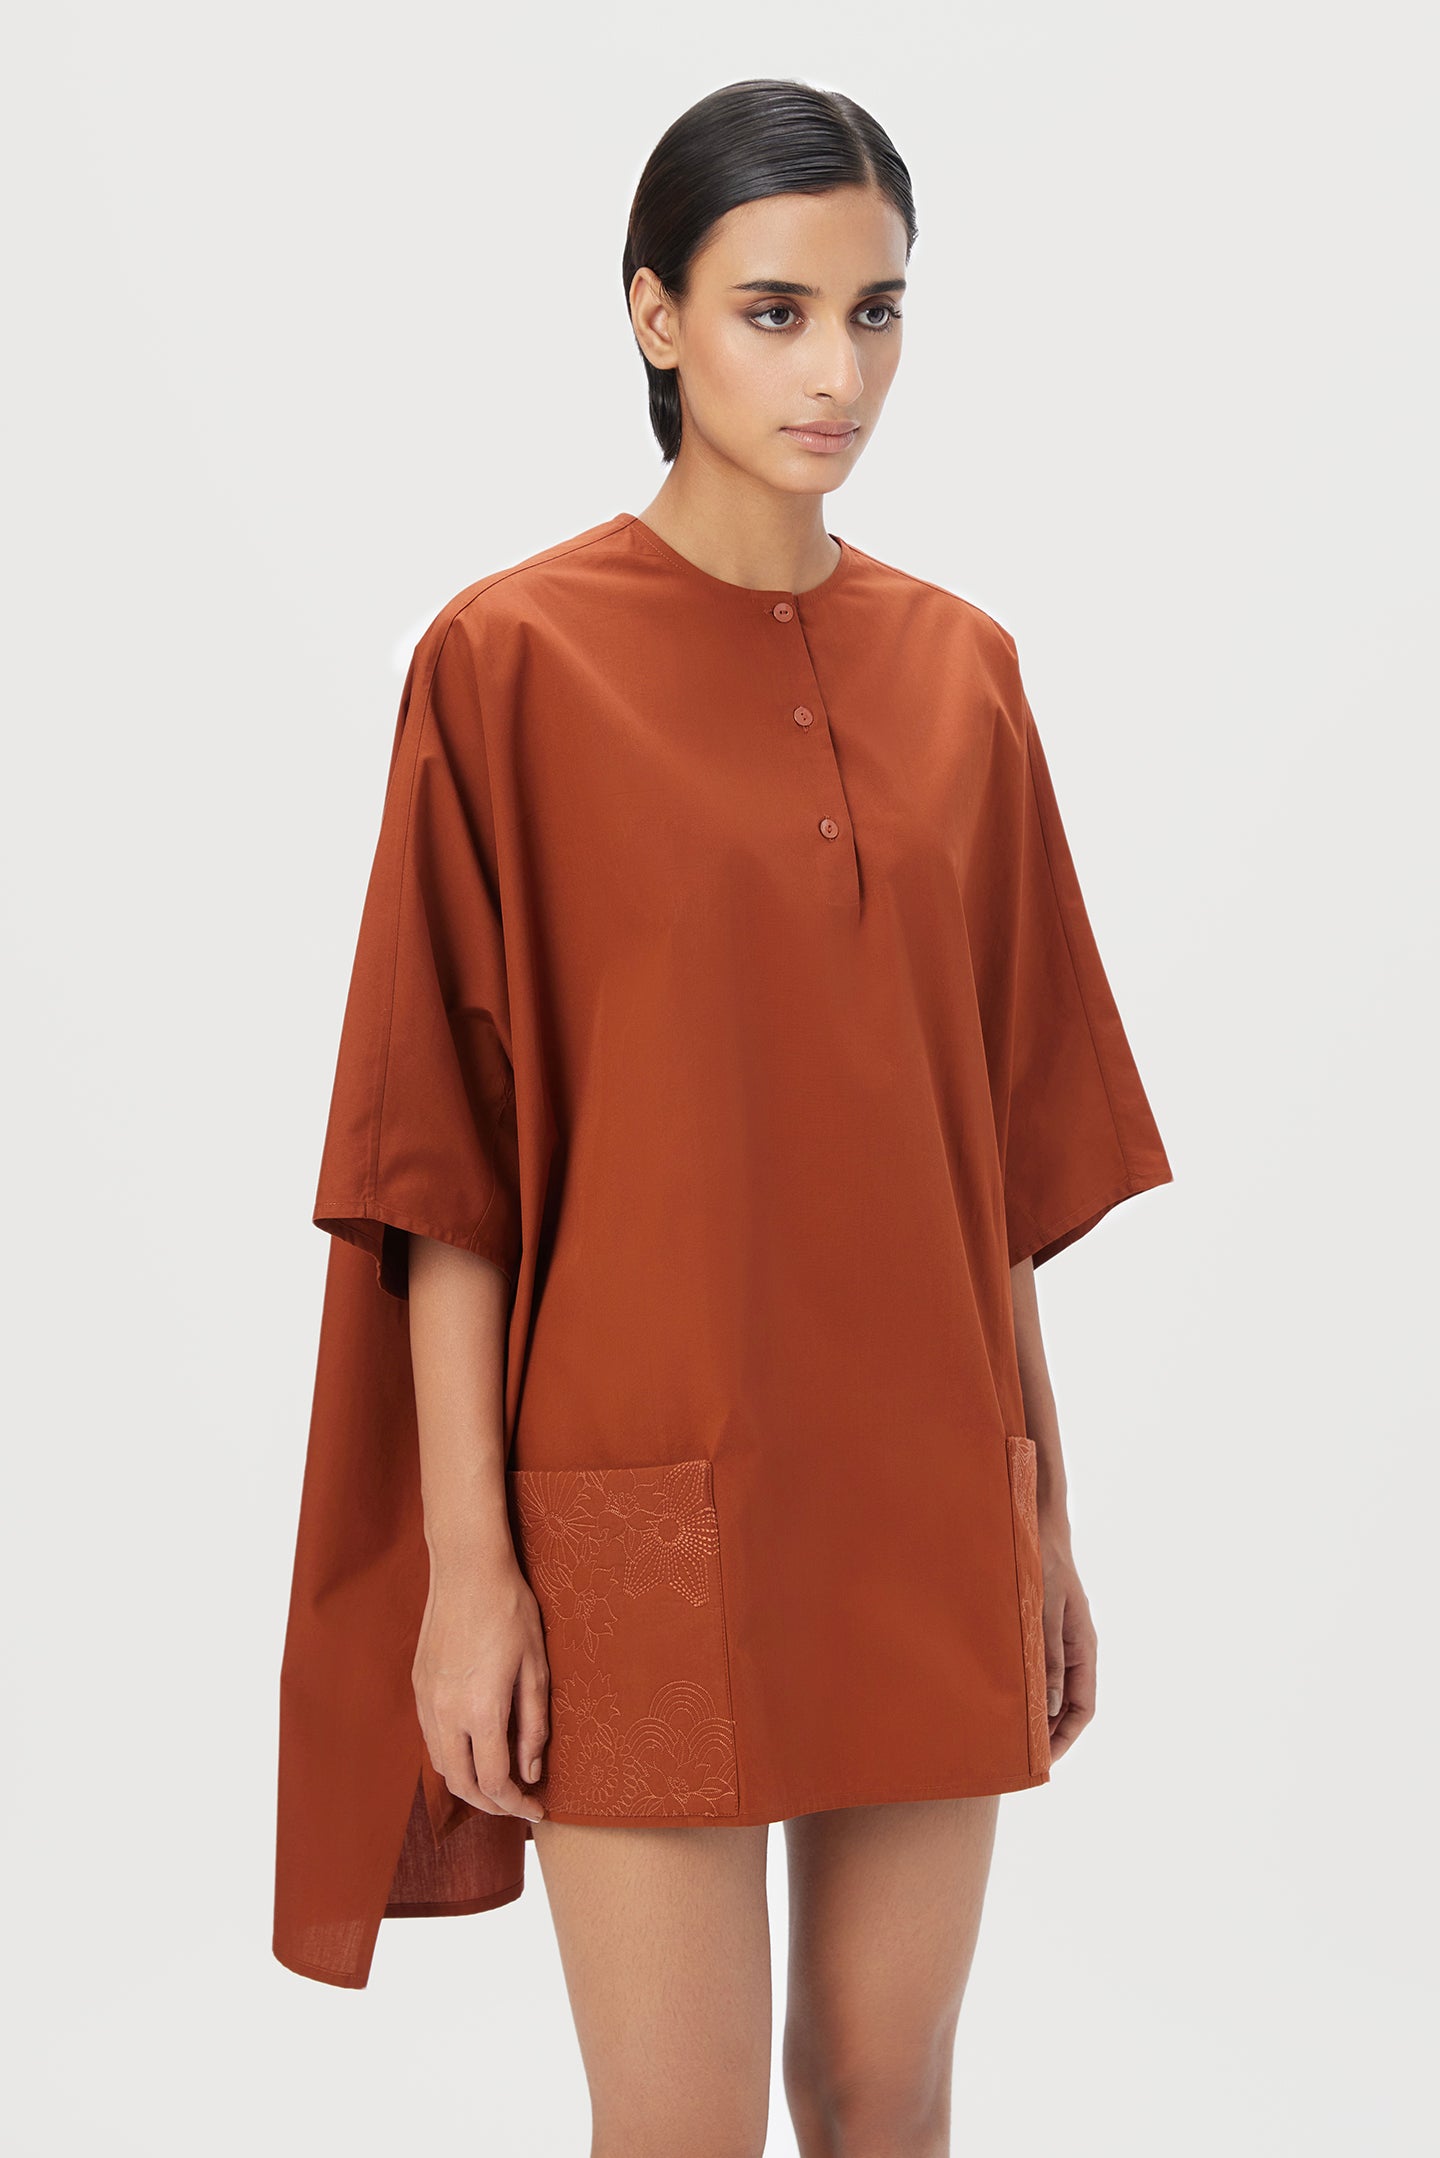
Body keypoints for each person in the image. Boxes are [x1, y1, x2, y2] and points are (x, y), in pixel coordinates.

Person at [274, 75, 1174, 2158]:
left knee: (885, 2095)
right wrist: (474, 1569)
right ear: (656, 316)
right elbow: (442, 1170)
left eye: (877, 311)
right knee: (679, 2128)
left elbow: (992, 1158)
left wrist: (1040, 1510)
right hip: (635, 1502)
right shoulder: (508, 661)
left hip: (926, 1492)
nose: (836, 371)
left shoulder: (966, 673)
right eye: (777, 311)